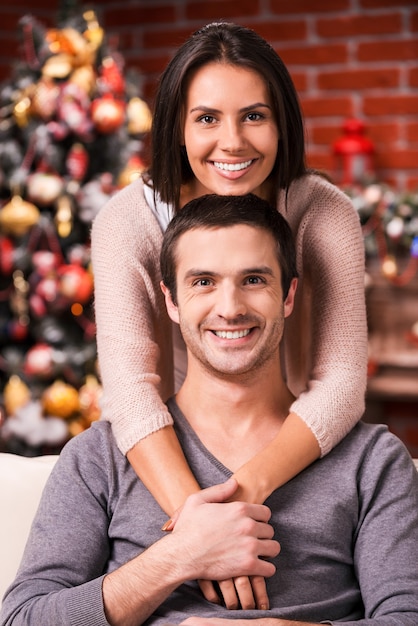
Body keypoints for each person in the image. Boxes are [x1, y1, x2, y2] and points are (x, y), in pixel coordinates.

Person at [1, 194, 417, 626]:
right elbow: (23, 619)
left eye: (254, 280)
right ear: (172, 302)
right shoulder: (98, 459)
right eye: (203, 282)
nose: (230, 307)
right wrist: (177, 556)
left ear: (288, 295)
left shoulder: (372, 461)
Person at [91, 21, 368, 607]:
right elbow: (129, 388)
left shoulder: (323, 211)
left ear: (281, 123)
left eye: (255, 116)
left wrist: (245, 491)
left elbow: (342, 381)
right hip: (170, 462)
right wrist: (198, 534)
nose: (233, 142)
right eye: (208, 118)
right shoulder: (127, 222)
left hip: (296, 455)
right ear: (178, 126)